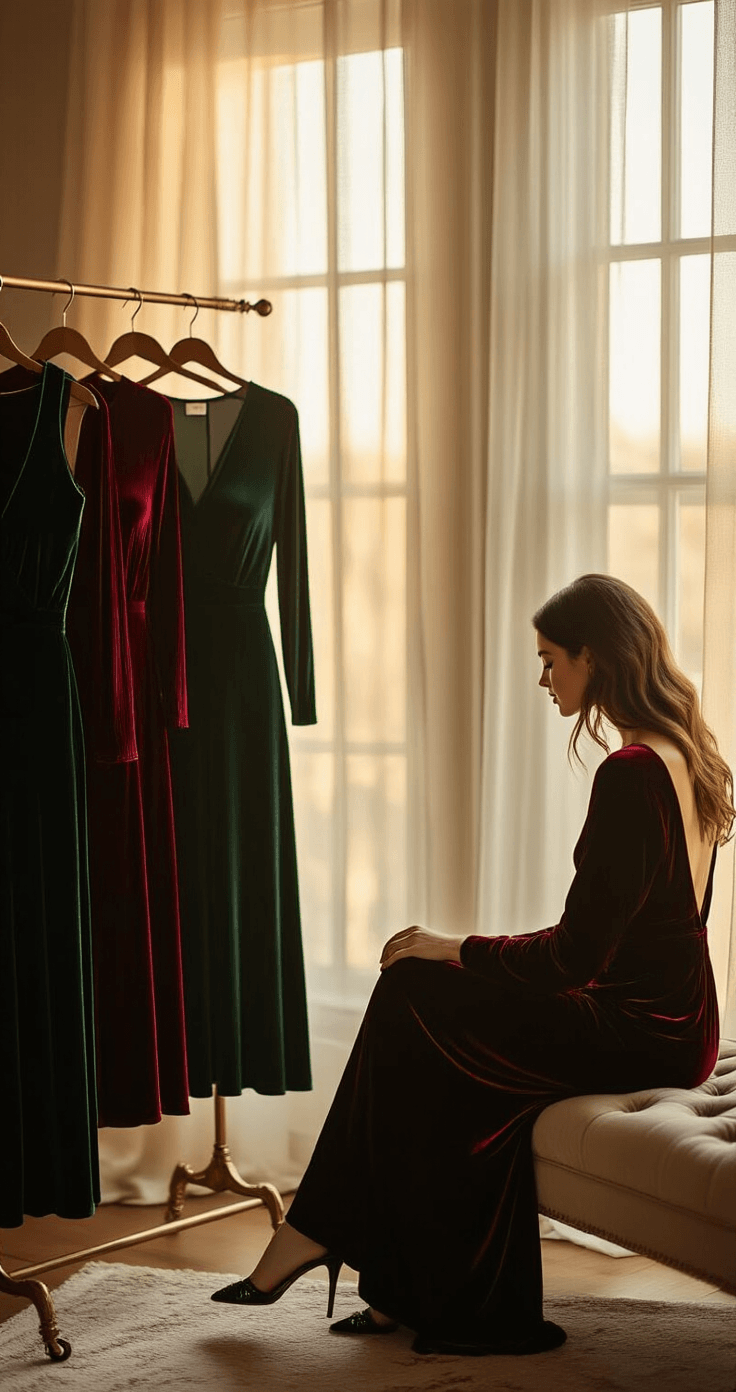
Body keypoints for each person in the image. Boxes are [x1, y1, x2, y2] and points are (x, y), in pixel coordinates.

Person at [210, 574, 734, 1355]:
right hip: (676, 1024)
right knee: (420, 1027)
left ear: (594, 657)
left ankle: (320, 1236)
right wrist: (467, 959)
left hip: (635, 1030)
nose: (543, 678)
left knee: (411, 987)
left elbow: (574, 957)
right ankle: (376, 1282)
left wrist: (455, 946)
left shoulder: (630, 772)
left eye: (552, 659)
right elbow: (632, 938)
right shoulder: (685, 754)